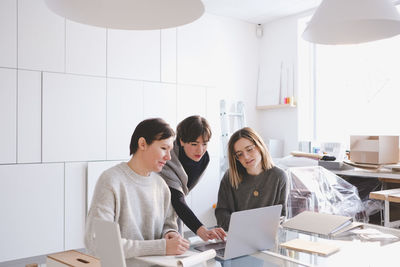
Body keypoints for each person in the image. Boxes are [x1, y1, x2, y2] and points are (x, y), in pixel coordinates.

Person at [85, 118, 189, 259]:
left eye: (170, 150)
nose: (169, 157)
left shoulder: (161, 185)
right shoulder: (111, 181)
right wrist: (162, 247)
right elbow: (98, 242)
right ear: (142, 144)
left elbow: (169, 224)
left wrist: (169, 233)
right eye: (164, 148)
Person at [159, 115, 226, 241]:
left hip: (177, 210)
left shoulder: (204, 159)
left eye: (204, 144)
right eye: (194, 144)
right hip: (156, 209)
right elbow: (176, 197)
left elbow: (182, 193)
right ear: (181, 141)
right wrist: (201, 229)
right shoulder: (167, 158)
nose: (200, 150)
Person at [215, 127, 288, 231]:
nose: (246, 157)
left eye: (249, 149)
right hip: (237, 236)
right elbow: (221, 213)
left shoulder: (279, 177)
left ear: (259, 146)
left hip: (267, 238)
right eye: (239, 154)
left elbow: (281, 216)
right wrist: (245, 227)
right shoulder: (229, 177)